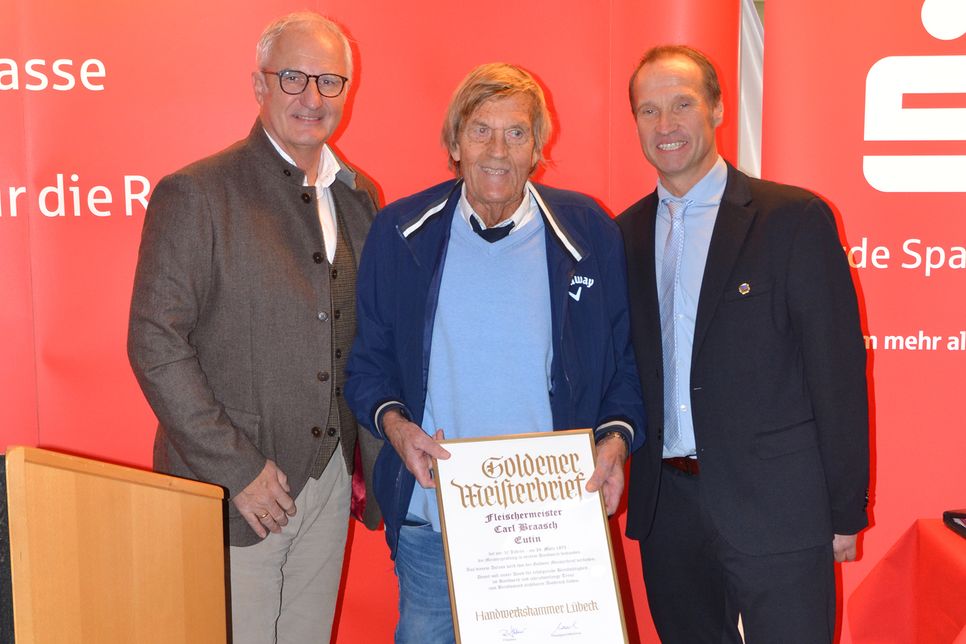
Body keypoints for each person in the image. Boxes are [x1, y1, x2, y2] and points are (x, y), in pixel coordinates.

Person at [345, 62, 645, 643]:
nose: (498, 151)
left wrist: (614, 443)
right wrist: (398, 428)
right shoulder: (401, 232)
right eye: (481, 130)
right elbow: (367, 366)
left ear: (538, 147)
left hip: (552, 531)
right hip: (435, 527)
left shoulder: (587, 234)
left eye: (516, 133)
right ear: (454, 143)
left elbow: (624, 370)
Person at [127, 12, 381, 644]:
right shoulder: (197, 193)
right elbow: (155, 341)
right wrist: (237, 469)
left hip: (327, 482)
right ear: (259, 85)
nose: (312, 97)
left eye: (329, 81)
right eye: (293, 77)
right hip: (233, 492)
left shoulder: (360, 196)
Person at [617, 45, 870, 642]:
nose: (666, 125)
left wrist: (843, 509)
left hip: (780, 509)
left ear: (718, 108)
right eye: (648, 111)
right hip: (668, 513)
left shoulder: (792, 219)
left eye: (682, 104)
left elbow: (836, 373)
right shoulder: (622, 234)